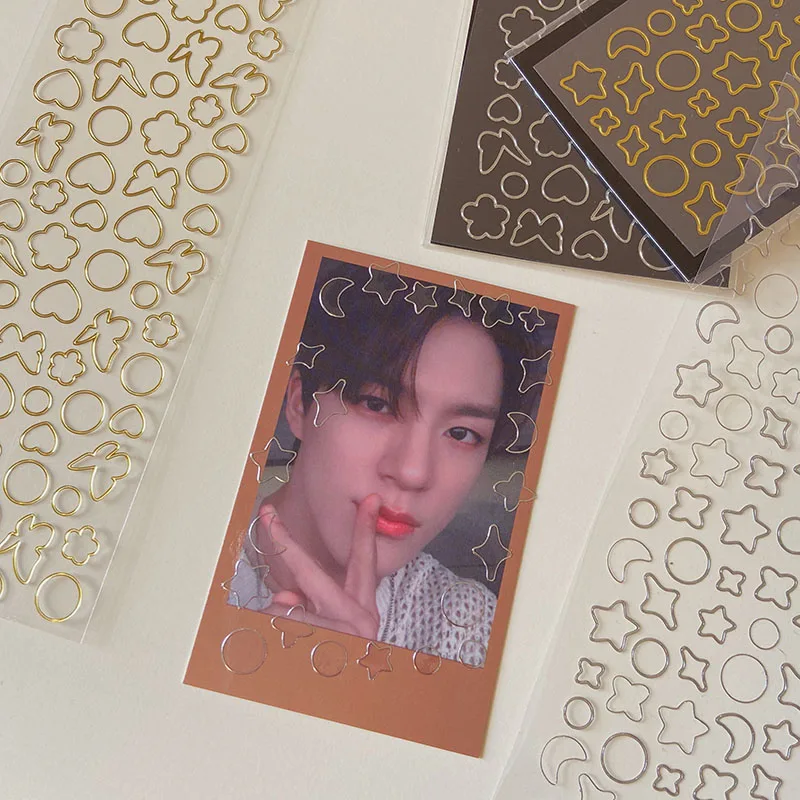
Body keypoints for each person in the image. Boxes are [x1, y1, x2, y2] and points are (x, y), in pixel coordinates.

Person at [230, 260, 546, 665]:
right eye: (377, 404)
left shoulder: (473, 632)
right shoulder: (180, 561)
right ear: (298, 403)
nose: (414, 472)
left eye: (461, 433)